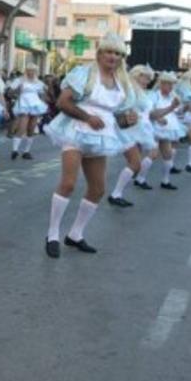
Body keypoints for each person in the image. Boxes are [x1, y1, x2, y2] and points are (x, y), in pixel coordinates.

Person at [42, 32, 133, 258]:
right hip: (76, 132)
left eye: (118, 54)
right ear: (100, 53)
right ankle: (52, 234)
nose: (113, 57)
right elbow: (62, 102)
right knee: (69, 183)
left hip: (101, 138)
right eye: (109, 52)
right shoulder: (84, 74)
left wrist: (129, 120)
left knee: (98, 188)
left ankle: (76, 234)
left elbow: (118, 118)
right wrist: (87, 117)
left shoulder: (122, 83)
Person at [108, 64, 157, 206]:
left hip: (140, 130)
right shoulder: (129, 88)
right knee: (135, 163)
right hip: (127, 130)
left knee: (138, 162)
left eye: (149, 78)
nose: (147, 81)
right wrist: (127, 116)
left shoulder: (141, 91)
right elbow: (118, 107)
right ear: (136, 75)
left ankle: (119, 192)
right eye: (144, 77)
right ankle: (115, 194)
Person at [9, 63, 47, 159]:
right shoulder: (20, 80)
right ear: (26, 71)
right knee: (22, 128)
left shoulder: (38, 82)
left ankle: (26, 151)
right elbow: (10, 92)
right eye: (29, 70)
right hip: (24, 104)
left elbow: (42, 94)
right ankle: (14, 150)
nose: (31, 72)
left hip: (35, 105)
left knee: (31, 129)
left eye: (33, 70)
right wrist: (17, 92)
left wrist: (42, 103)